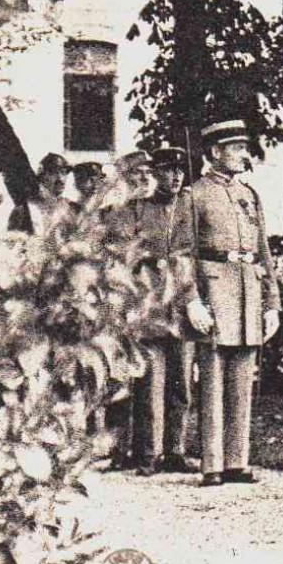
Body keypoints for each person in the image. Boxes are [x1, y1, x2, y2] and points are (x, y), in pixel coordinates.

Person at [170, 121, 281, 487]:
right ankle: (212, 465)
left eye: (244, 148)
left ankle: (238, 462)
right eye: (235, 148)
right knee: (212, 382)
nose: (243, 154)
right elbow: (181, 255)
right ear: (215, 152)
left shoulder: (249, 195)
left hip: (248, 293)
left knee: (241, 382)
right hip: (214, 295)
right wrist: (191, 302)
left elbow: (262, 251)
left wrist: (272, 304)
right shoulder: (193, 195)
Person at [111, 148, 197, 475]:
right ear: (155, 174)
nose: (174, 177)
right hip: (150, 310)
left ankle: (175, 451)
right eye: (166, 171)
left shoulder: (189, 207)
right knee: (150, 385)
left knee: (182, 385)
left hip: (182, 308)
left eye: (179, 171)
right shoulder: (138, 210)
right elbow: (125, 256)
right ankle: (147, 454)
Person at [7, 152, 71, 232]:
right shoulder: (26, 209)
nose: (60, 178)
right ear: (42, 175)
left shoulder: (67, 208)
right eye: (54, 172)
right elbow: (12, 241)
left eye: (64, 173)